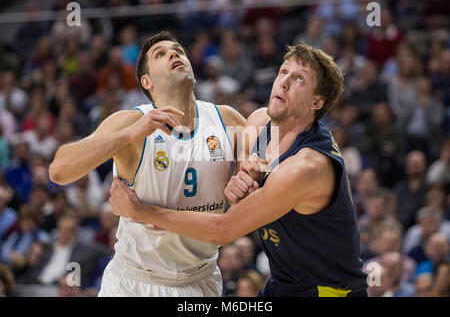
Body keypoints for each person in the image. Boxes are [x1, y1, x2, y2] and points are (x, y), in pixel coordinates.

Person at [109, 43, 369, 297]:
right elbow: (245, 174)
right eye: (283, 72)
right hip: (286, 282)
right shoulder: (260, 122)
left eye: (299, 78)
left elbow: (223, 230)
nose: (284, 82)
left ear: (316, 101)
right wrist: (243, 175)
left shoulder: (306, 166)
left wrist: (140, 211)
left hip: (329, 289)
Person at [49, 31, 246, 297]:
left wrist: (249, 182)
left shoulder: (227, 120)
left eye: (178, 50)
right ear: (147, 81)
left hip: (202, 279)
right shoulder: (131, 122)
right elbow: (59, 171)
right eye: (160, 54)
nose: (174, 54)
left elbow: (261, 183)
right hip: (134, 282)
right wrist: (127, 135)